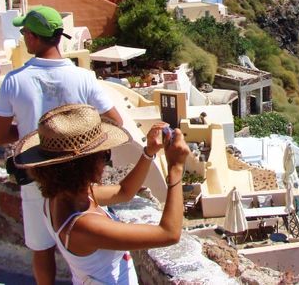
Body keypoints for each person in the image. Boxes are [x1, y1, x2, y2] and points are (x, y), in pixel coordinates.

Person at [0, 6, 123, 285]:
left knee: (42, 250)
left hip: (37, 177)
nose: (24, 37)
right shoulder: (83, 77)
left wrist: (35, 131)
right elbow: (115, 120)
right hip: (78, 175)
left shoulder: (14, 81)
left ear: (35, 38)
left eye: (25, 32)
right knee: (86, 253)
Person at [13, 104, 189, 284]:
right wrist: (176, 168)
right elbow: (169, 233)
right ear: (84, 166)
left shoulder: (61, 197)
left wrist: (149, 152)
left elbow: (124, 192)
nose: (107, 162)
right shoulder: (83, 226)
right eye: (104, 156)